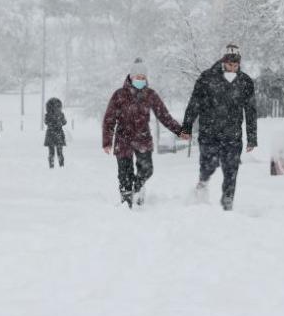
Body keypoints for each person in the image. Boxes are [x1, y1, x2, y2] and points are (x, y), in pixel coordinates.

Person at [180, 43, 257, 211]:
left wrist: (252, 138)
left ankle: (227, 204)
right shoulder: (207, 78)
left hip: (233, 135)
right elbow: (194, 104)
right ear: (223, 61)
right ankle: (202, 186)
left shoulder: (245, 82)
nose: (233, 68)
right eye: (230, 64)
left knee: (231, 172)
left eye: (236, 65)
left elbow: (251, 111)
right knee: (208, 166)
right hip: (209, 134)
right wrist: (186, 127)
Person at [103, 58, 182, 208]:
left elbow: (164, 116)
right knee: (124, 174)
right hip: (123, 138)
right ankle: (126, 203)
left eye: (143, 77)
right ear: (131, 77)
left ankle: (138, 188)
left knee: (147, 169)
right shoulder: (119, 95)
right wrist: (107, 141)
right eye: (138, 77)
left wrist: (180, 131)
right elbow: (109, 119)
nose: (141, 80)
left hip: (143, 137)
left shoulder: (150, 94)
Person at [44, 97, 67, 168]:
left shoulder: (48, 114)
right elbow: (64, 122)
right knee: (59, 152)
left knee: (51, 152)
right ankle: (61, 165)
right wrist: (58, 122)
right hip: (58, 134)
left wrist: (54, 122)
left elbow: (46, 122)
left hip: (51, 134)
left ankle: (52, 165)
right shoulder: (60, 114)